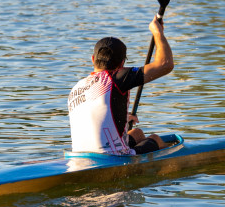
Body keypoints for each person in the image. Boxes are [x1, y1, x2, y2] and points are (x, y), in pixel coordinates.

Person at [68, 17, 174, 155]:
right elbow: (165, 64)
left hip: (78, 158)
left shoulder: (76, 88)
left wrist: (123, 116)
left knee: (137, 133)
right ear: (122, 64)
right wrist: (158, 33)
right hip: (112, 160)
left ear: (93, 59)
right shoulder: (116, 78)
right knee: (156, 139)